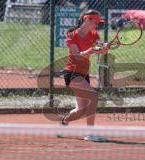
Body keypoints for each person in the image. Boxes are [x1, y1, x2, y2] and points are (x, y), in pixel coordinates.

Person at [60, 10, 108, 141]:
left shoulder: (94, 34)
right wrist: (91, 50)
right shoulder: (72, 35)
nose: (97, 25)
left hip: (84, 74)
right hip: (72, 73)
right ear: (88, 20)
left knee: (81, 110)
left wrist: (105, 48)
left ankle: (63, 123)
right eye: (96, 22)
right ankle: (90, 133)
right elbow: (77, 56)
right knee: (93, 96)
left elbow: (100, 50)